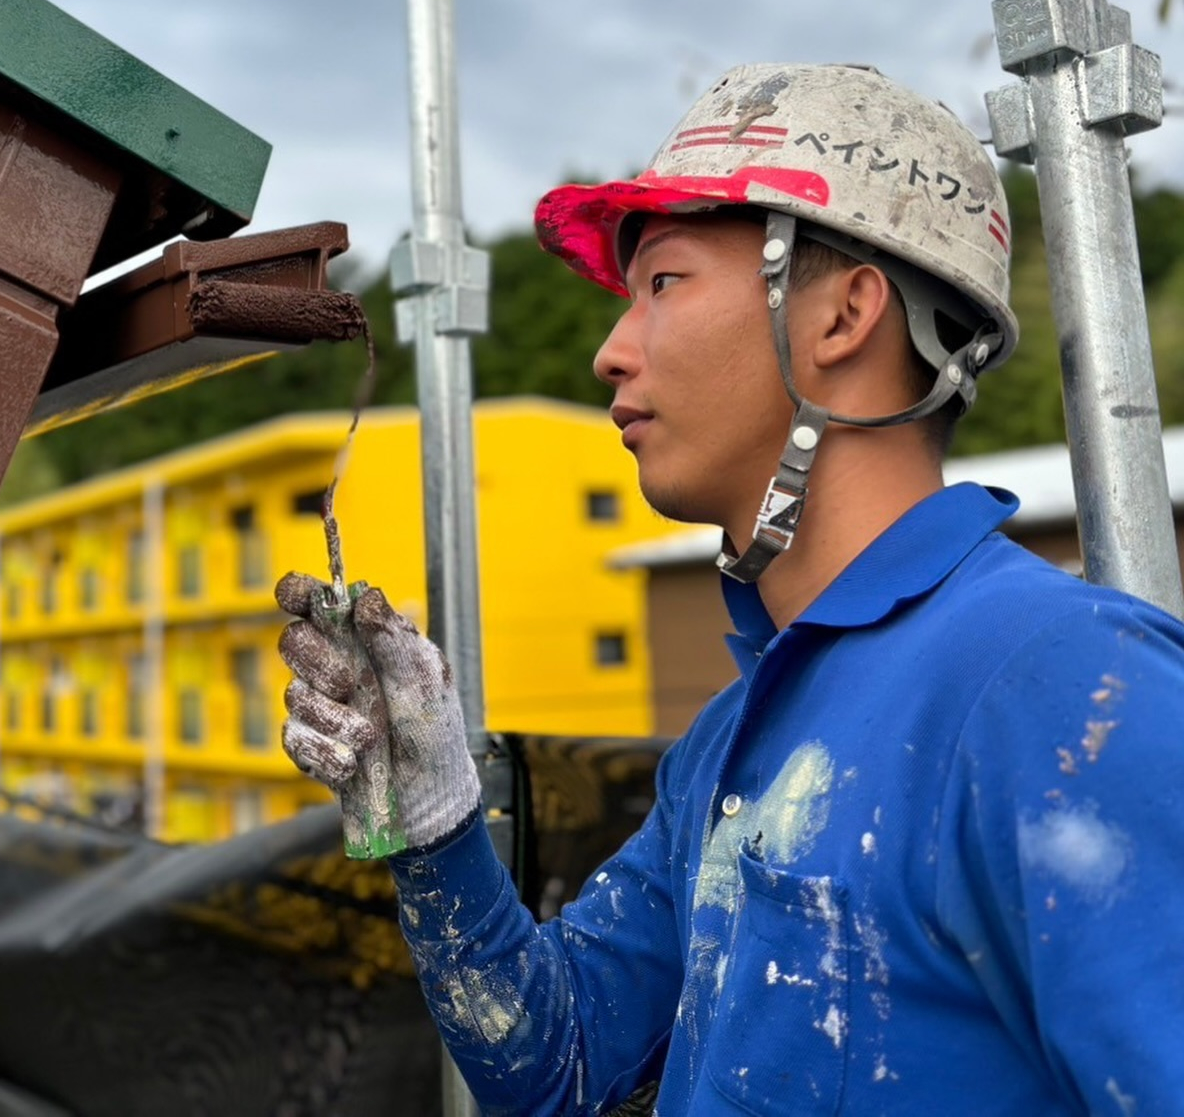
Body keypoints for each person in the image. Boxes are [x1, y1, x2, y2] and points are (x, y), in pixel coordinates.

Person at [276, 63, 1184, 1115]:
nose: (611, 354)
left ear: (845, 314)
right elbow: (556, 1060)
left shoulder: (1065, 689)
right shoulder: (730, 742)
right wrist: (433, 831)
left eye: (662, 283)